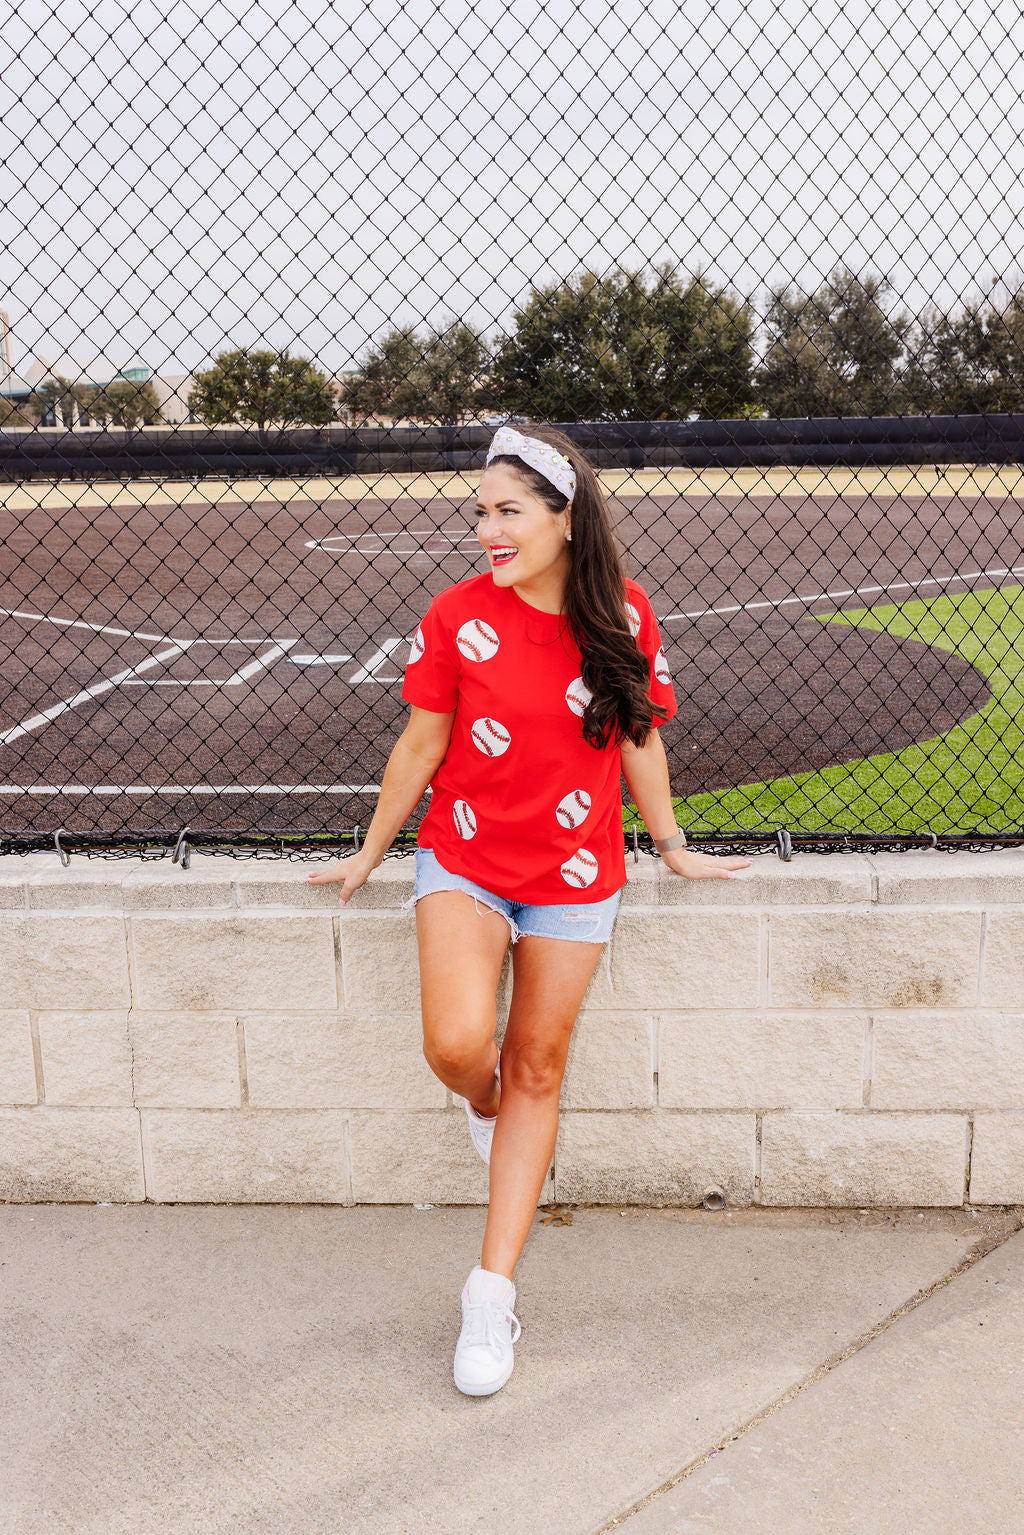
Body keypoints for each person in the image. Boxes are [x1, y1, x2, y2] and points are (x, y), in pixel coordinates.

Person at [307, 422, 753, 1397]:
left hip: (575, 873)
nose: (487, 531)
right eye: (481, 512)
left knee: (538, 1067)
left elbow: (637, 737)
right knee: (458, 1046)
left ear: (565, 518)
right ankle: (486, 1105)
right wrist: (372, 850)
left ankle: (489, 1291)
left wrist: (671, 844)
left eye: (508, 511)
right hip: (465, 855)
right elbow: (420, 745)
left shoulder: (622, 614)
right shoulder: (455, 615)